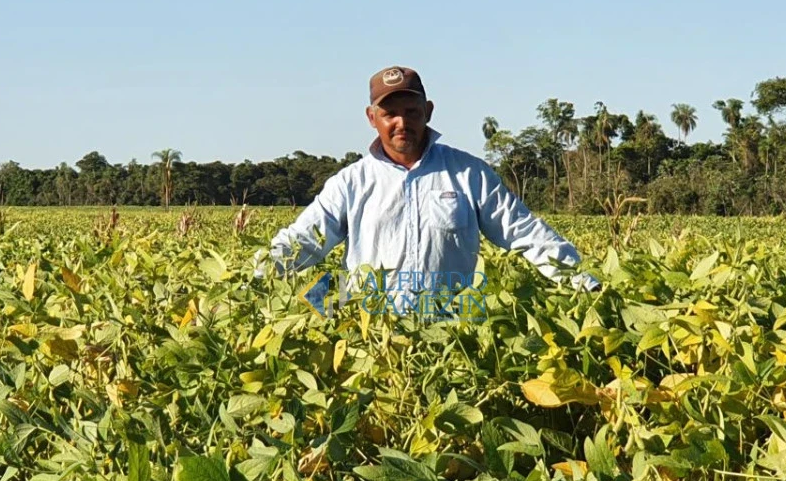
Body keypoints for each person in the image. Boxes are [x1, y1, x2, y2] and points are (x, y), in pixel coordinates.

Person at [253, 65, 598, 309]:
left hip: (453, 334)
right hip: (374, 340)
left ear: (428, 112)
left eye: (411, 111)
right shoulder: (350, 183)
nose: (402, 122)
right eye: (390, 114)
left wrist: (585, 282)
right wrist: (252, 283)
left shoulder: (468, 174)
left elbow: (524, 231)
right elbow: (301, 243)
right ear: (372, 118)